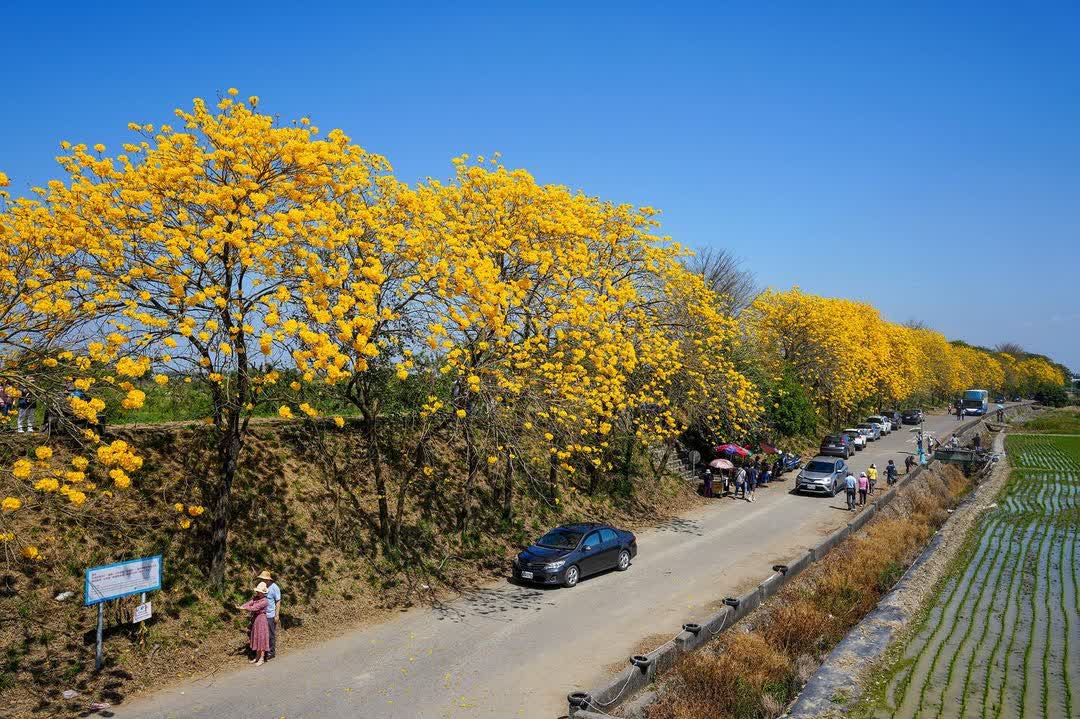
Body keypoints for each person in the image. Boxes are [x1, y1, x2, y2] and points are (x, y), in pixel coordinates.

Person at [237, 582, 271, 666]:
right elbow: (250, 603)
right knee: (257, 637)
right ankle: (257, 656)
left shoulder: (265, 601)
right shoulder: (256, 598)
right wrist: (242, 606)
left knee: (261, 638)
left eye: (259, 591)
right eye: (257, 591)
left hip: (262, 619)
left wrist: (245, 608)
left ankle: (262, 658)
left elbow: (255, 607)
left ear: (263, 592)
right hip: (256, 619)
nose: (257, 593)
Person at [257, 570, 282, 659]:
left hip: (270, 615)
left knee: (270, 634)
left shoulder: (275, 587)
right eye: (261, 579)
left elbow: (278, 601)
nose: (262, 580)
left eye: (263, 579)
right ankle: (263, 652)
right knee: (262, 634)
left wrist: (277, 615)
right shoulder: (261, 586)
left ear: (268, 579)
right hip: (262, 615)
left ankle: (271, 652)